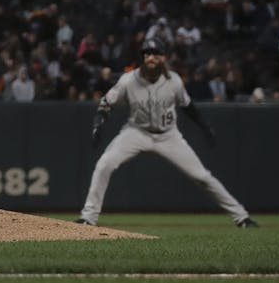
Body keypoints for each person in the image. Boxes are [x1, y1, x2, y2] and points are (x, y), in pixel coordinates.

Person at [77, 38, 258, 228]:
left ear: (163, 57)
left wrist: (205, 126)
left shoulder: (174, 81)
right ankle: (88, 218)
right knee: (104, 164)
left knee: (202, 176)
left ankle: (242, 217)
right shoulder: (128, 80)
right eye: (147, 54)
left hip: (168, 136)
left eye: (155, 53)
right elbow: (106, 104)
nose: (151, 58)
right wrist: (98, 124)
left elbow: (188, 106)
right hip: (136, 132)